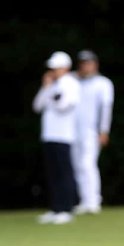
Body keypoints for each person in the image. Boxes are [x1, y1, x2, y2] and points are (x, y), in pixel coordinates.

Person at [33, 51, 81, 224]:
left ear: (66, 67)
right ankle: (55, 208)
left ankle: (67, 209)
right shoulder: (51, 84)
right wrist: (46, 88)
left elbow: (64, 106)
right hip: (49, 135)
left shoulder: (71, 83)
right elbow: (37, 106)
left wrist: (52, 96)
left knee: (64, 173)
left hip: (63, 135)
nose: (53, 70)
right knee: (52, 173)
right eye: (52, 67)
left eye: (57, 67)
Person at [71, 49, 115, 215]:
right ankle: (84, 200)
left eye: (88, 63)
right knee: (76, 166)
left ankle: (94, 200)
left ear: (95, 64)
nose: (85, 66)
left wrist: (104, 130)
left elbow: (106, 109)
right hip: (72, 131)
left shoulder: (103, 83)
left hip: (92, 131)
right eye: (82, 63)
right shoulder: (73, 81)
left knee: (87, 164)